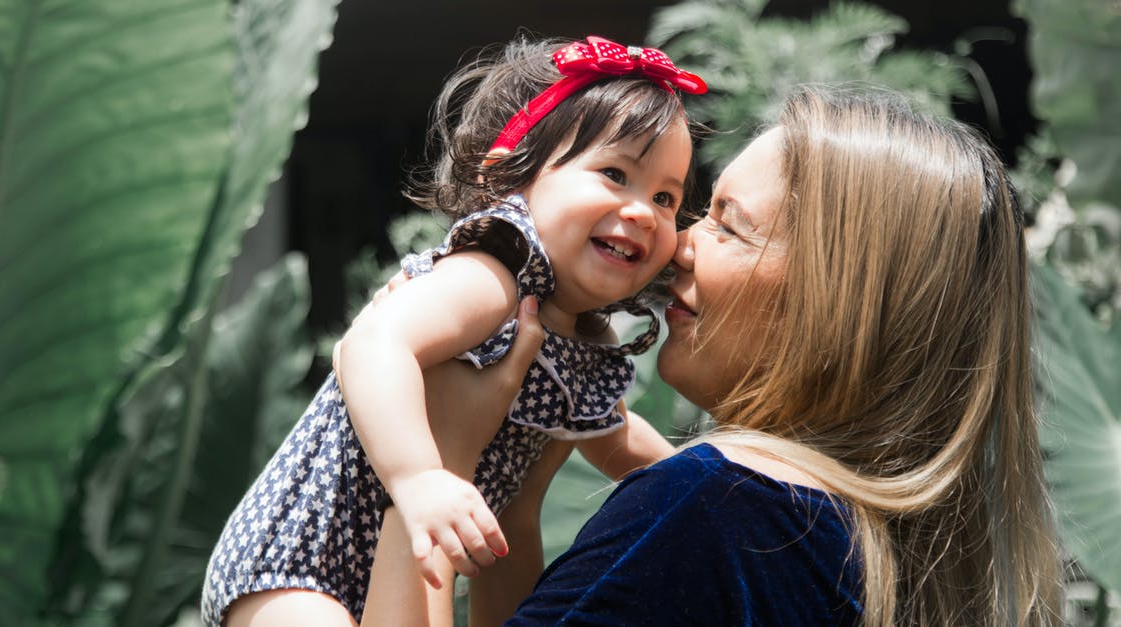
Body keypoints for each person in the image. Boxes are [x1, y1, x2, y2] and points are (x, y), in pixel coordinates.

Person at [364, 85, 1064, 625]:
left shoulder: (708, 513)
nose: (678, 245)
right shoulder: (868, 544)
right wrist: (515, 511)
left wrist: (440, 461)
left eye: (727, 224)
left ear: (833, 300)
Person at [200, 35, 708, 626]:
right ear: (510, 179)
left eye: (667, 196)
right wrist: (417, 478)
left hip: (403, 566)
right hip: (302, 560)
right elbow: (370, 344)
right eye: (615, 173)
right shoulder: (494, 271)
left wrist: (704, 489)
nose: (646, 211)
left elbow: (616, 438)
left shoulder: (584, 340)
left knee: (510, 534)